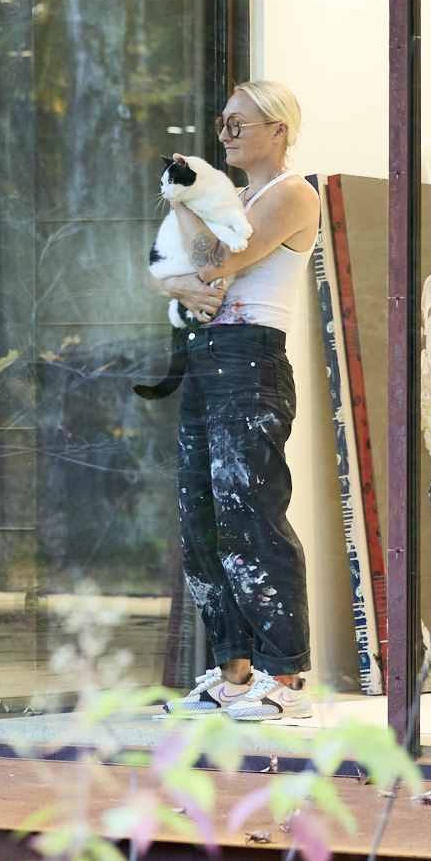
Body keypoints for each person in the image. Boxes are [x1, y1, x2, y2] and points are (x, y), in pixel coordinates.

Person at [153, 80, 319, 721]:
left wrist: (183, 200)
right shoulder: (239, 198)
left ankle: (287, 677)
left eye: (238, 125)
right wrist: (184, 284)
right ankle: (235, 673)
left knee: (250, 515)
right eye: (221, 125)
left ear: (279, 130)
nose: (225, 136)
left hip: (250, 362)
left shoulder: (291, 195)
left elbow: (214, 262)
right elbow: (168, 276)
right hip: (204, 360)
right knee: (200, 520)